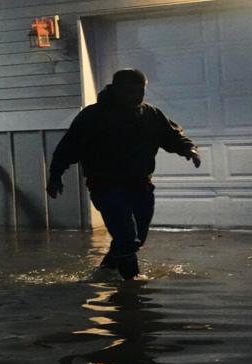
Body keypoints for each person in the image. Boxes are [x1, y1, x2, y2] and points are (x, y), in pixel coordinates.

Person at [47, 69, 201, 281]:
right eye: (130, 91)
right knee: (127, 238)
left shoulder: (150, 114)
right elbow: (67, 148)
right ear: (116, 89)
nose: (136, 96)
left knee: (137, 238)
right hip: (106, 186)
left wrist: (188, 149)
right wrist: (55, 176)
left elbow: (172, 135)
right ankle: (133, 289)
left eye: (140, 91)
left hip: (140, 186)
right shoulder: (93, 116)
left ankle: (105, 272)